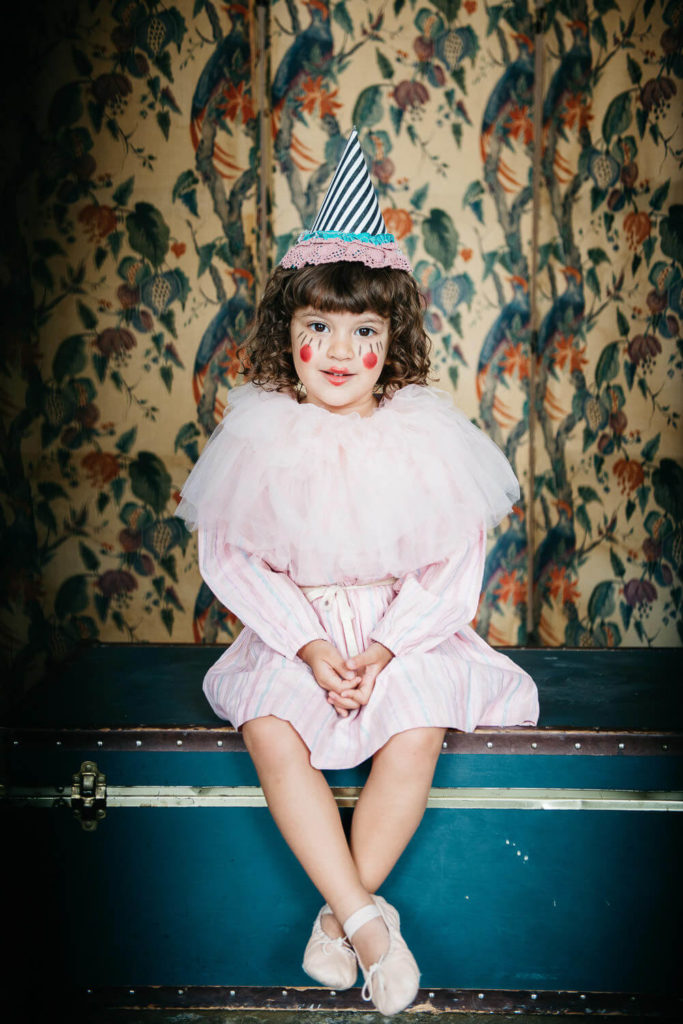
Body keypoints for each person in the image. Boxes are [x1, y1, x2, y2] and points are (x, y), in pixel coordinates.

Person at [176, 130, 539, 1016]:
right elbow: (230, 554)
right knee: (268, 728)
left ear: (393, 337)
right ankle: (369, 924)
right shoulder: (263, 432)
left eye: (363, 330)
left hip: (395, 634)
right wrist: (304, 644)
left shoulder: (419, 435)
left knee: (415, 729)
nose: (339, 351)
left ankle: (334, 926)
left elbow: (452, 563)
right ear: (287, 333)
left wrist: (382, 648)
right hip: (294, 633)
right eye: (317, 328)